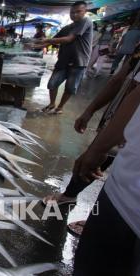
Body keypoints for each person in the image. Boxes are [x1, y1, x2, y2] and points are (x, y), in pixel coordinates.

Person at [43, 46, 140, 235]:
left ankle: (103, 223)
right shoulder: (136, 49)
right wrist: (90, 110)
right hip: (118, 121)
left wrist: (98, 148)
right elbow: (119, 80)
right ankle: (71, 196)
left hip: (129, 128)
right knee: (100, 167)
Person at [71, 77, 140, 275]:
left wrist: (98, 148)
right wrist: (98, 148)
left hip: (124, 194)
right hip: (123, 193)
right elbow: (136, 95)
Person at [34, 1, 93, 114]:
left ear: (85, 11)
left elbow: (69, 39)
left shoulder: (86, 21)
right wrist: (35, 45)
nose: (74, 14)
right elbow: (54, 40)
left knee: (70, 88)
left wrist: (46, 40)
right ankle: (52, 104)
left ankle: (60, 107)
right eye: (72, 12)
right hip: (63, 60)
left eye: (78, 12)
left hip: (79, 62)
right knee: (52, 84)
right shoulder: (66, 28)